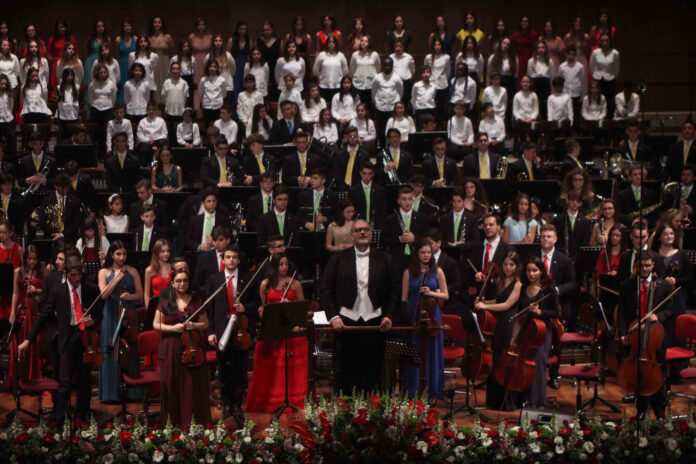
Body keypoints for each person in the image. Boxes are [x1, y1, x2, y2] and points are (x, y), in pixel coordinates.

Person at [20, 257, 100, 425]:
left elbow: (100, 314)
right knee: (64, 382)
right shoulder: (58, 291)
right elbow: (43, 317)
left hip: (84, 338)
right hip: (66, 338)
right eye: (73, 275)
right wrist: (28, 339)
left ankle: (82, 415)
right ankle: (60, 418)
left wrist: (93, 321)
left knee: (84, 379)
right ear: (66, 273)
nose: (77, 278)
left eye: (79, 275)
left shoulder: (90, 289)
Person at [319, 219, 395, 394]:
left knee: (372, 371)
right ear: (351, 235)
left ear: (370, 234)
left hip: (375, 322)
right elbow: (324, 289)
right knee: (344, 371)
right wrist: (333, 316)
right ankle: (343, 414)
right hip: (346, 322)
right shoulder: (338, 258)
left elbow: (394, 291)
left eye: (366, 230)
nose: (362, 232)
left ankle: (372, 414)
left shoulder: (385, 258)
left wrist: (389, 315)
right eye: (358, 230)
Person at [246, 253, 306, 413]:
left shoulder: (295, 284)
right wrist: (267, 312)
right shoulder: (265, 284)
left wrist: (290, 306)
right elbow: (261, 308)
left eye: (286, 264)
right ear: (275, 267)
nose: (285, 267)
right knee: (270, 369)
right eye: (281, 264)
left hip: (289, 333)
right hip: (272, 331)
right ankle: (269, 401)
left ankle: (290, 400)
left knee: (287, 369)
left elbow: (306, 312)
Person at [206, 245, 259, 424]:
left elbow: (256, 304)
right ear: (223, 259)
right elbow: (210, 309)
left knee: (240, 370)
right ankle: (226, 404)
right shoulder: (215, 280)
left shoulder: (248, 279)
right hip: (221, 331)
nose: (231, 260)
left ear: (238, 259)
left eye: (234, 257)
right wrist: (210, 332)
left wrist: (246, 308)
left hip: (241, 332)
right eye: (228, 257)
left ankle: (237, 405)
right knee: (224, 370)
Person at [617, 250, 672, 420]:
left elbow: (670, 309)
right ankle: (641, 412)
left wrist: (658, 316)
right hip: (636, 337)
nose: (645, 269)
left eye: (648, 265)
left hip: (655, 339)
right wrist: (622, 333)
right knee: (639, 377)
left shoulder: (662, 285)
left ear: (653, 265)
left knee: (657, 377)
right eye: (641, 266)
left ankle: (660, 412)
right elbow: (621, 314)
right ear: (636, 265)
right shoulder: (627, 286)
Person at [153, 267, 210, 427]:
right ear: (172, 283)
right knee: (172, 385)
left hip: (192, 347)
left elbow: (205, 323)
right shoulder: (165, 301)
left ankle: (192, 423)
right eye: (178, 281)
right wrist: (173, 328)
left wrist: (193, 325)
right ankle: (173, 423)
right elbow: (155, 324)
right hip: (170, 346)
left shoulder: (197, 300)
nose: (182, 284)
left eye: (185, 280)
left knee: (191, 386)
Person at [401, 239, 448, 399]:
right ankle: (413, 391)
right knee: (416, 354)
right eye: (423, 252)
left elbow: (446, 295)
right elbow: (404, 298)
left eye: (429, 252)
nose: (426, 255)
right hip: (415, 316)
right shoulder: (408, 272)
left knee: (431, 354)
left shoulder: (438, 271)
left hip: (432, 318)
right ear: (417, 254)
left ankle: (432, 391)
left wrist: (432, 293)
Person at [97, 241, 143, 402]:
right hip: (110, 313)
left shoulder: (133, 271)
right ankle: (110, 394)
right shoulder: (103, 272)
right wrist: (116, 278)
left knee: (131, 350)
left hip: (129, 314)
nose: (122, 257)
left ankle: (133, 394)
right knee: (110, 350)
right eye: (118, 254)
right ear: (111, 255)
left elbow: (140, 295)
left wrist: (130, 296)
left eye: (124, 254)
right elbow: (103, 295)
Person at [477, 250, 522, 410]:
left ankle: (508, 403)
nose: (508, 267)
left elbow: (506, 305)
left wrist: (485, 306)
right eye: (505, 264)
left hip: (509, 324)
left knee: (505, 362)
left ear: (516, 266)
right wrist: (485, 302)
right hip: (499, 324)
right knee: (497, 360)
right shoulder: (499, 281)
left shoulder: (518, 284)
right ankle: (494, 402)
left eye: (511, 264)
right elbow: (498, 300)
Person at [513, 256, 559, 408]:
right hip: (526, 331)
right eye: (528, 270)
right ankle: (523, 399)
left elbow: (555, 312)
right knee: (523, 364)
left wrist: (540, 312)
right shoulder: (523, 288)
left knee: (538, 364)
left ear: (541, 271)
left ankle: (538, 401)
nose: (531, 274)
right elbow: (520, 311)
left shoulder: (549, 289)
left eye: (535, 270)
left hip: (541, 333)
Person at [7, 245, 44, 387]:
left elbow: (47, 291)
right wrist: (11, 313)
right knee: (19, 342)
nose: (32, 262)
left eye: (34, 259)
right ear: (25, 258)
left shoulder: (42, 272)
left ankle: (31, 377)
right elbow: (15, 293)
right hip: (21, 311)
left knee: (32, 342)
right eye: (29, 258)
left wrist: (37, 289)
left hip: (35, 311)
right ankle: (18, 379)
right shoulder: (18, 271)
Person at [651, 224, 693, 348]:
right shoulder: (653, 255)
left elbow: (690, 277)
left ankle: (678, 363)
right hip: (658, 298)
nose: (669, 236)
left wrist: (676, 280)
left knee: (677, 329)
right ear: (659, 237)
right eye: (665, 234)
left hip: (677, 297)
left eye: (671, 234)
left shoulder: (681, 255)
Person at [383, 186, 428, 272]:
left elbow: (426, 239)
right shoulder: (389, 220)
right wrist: (399, 239)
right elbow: (384, 240)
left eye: (410, 199)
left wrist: (414, 238)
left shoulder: (422, 218)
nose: (407, 202)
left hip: (416, 260)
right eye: (404, 199)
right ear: (398, 201)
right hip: (396, 261)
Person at [185, 186, 231, 251]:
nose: (212, 204)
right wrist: (200, 247)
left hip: (217, 253)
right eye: (209, 201)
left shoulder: (223, 220)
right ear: (203, 203)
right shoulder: (195, 220)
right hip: (199, 254)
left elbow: (228, 239)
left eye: (214, 201)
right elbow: (188, 240)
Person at [371, 57, 403, 146]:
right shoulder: (377, 78)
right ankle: (382, 148)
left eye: (389, 65)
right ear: (382, 66)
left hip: (392, 108)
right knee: (381, 130)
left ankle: (392, 147)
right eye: (385, 65)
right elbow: (374, 92)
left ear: (392, 66)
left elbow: (400, 92)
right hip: (380, 108)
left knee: (392, 129)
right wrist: (377, 102)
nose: (387, 67)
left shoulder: (397, 78)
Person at [192, 225, 231, 294]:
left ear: (228, 240)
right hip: (210, 300)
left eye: (220, 240)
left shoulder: (237, 256)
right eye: (214, 240)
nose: (216, 243)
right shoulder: (203, 258)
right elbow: (196, 284)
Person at [552, 191, 591, 258]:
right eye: (572, 200)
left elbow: (585, 243)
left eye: (577, 201)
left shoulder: (585, 222)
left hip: (578, 259)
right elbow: (556, 241)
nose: (575, 203)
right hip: (560, 256)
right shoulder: (558, 219)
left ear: (580, 203)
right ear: (567, 201)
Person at [589, 33, 620, 118]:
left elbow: (616, 69)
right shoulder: (595, 52)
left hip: (610, 81)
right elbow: (592, 66)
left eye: (607, 40)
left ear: (610, 41)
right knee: (598, 102)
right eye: (602, 41)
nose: (605, 43)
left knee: (609, 103)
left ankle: (609, 122)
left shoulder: (615, 53)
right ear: (600, 42)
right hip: (598, 80)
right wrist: (595, 77)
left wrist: (612, 77)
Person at [348, 162, 386, 228]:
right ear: (360, 173)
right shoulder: (353, 190)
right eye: (364, 173)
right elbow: (351, 210)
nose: (367, 176)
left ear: (373, 174)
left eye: (369, 174)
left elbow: (382, 210)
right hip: (358, 224)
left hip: (375, 225)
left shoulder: (380, 190)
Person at [312, 35, 348, 103]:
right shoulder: (322, 55)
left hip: (337, 86)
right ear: (327, 44)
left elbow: (345, 70)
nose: (331, 44)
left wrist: (340, 78)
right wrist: (321, 77)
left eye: (333, 42)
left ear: (336, 44)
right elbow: (315, 70)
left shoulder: (340, 55)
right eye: (329, 42)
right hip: (324, 86)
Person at [423, 38, 451, 123]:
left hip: (443, 85)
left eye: (439, 45)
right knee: (432, 105)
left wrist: (444, 79)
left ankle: (442, 124)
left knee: (442, 107)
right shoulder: (428, 57)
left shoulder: (446, 57)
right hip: (431, 84)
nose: (437, 47)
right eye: (435, 45)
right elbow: (426, 70)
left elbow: (448, 71)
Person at [349, 35, 380, 108]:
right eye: (362, 41)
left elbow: (378, 68)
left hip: (370, 85)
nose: (363, 43)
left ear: (369, 43)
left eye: (366, 41)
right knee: (359, 105)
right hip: (358, 84)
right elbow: (352, 68)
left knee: (370, 106)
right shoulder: (355, 55)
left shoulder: (374, 54)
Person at [557, 47, 586, 122]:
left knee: (575, 113)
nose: (571, 56)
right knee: (565, 112)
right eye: (569, 54)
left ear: (575, 55)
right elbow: (560, 80)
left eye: (573, 54)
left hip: (575, 93)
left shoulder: (580, 66)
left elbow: (582, 80)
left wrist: (579, 91)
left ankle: (575, 130)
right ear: (566, 54)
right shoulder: (562, 66)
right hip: (565, 93)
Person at [527, 41, 553, 119]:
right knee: (535, 104)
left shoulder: (550, 61)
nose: (541, 49)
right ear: (536, 49)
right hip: (536, 83)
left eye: (542, 47)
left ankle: (544, 125)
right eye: (539, 47)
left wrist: (551, 87)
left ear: (545, 49)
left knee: (545, 105)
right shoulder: (531, 61)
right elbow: (529, 74)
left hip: (545, 83)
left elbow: (551, 76)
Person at [143, 238, 172, 309]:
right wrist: (148, 310)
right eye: (162, 251)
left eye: (168, 251)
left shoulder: (173, 267)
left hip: (171, 304)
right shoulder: (149, 270)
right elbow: (146, 294)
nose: (166, 254)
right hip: (156, 306)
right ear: (156, 252)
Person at [199, 59, 228, 124]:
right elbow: (200, 93)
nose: (212, 68)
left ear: (217, 68)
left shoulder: (222, 80)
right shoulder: (203, 80)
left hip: (218, 106)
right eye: (210, 66)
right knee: (207, 125)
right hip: (207, 105)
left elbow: (224, 94)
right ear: (208, 68)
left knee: (217, 125)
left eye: (214, 66)